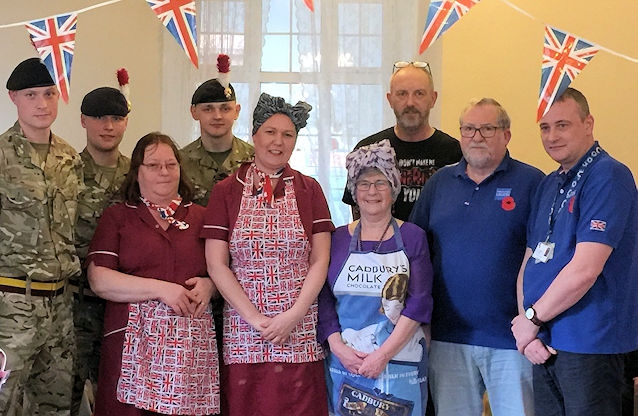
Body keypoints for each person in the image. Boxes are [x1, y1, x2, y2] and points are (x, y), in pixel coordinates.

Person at [202, 92, 334, 415]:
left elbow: (320, 260)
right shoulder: (226, 191)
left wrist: (294, 315)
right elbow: (217, 264)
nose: (278, 142)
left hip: (299, 332)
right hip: (245, 332)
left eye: (288, 134)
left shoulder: (310, 189)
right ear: (254, 135)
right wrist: (255, 319)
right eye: (270, 132)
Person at [410, 98, 543, 415]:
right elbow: (414, 252)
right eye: (468, 129)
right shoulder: (440, 183)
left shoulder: (533, 183)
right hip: (448, 338)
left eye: (487, 128)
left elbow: (545, 255)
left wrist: (535, 324)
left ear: (506, 134)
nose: (476, 136)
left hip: (513, 339)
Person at [511, 87, 638, 415]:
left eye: (562, 125)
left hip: (589, 344)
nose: (552, 136)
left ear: (588, 123)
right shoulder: (549, 184)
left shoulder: (608, 176)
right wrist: (529, 330)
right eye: (544, 127)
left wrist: (532, 318)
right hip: (545, 341)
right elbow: (531, 259)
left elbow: (585, 270)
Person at [87, 133, 219, 415]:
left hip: (190, 353)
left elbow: (229, 271)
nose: (164, 172)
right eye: (153, 165)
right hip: (132, 347)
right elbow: (100, 280)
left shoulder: (202, 217)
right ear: (136, 172)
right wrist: (162, 289)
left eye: (171, 164)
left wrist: (211, 285)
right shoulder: (118, 217)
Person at [319, 139, 433, 416]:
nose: (372, 191)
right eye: (364, 184)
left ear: (394, 189)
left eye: (381, 183)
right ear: (354, 192)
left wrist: (382, 355)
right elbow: (323, 300)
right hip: (347, 362)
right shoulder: (337, 238)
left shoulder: (413, 237)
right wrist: (338, 347)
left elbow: (418, 302)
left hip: (400, 364)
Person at [0, 57, 84, 414]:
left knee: (55, 404)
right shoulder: (1, 156)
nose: (41, 103)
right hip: (10, 305)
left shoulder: (69, 158)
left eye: (50, 93)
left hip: (60, 306)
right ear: (13, 98)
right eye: (31, 94)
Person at [70, 86, 131, 416]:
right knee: (64, 394)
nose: (108, 126)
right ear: (83, 121)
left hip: (122, 307)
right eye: (98, 118)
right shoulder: (66, 171)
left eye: (116, 118)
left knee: (118, 397)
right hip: (74, 307)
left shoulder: (138, 175)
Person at [342, 61, 462, 221]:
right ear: (390, 99)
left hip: (437, 246)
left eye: (419, 93)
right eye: (402, 94)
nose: (410, 103)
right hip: (384, 246)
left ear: (433, 99)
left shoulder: (455, 152)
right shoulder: (367, 151)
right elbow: (358, 215)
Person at [181, 76, 254, 207]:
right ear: (194, 112)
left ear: (236, 111)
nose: (217, 116)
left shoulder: (255, 159)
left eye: (225, 108)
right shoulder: (179, 162)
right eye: (208, 109)